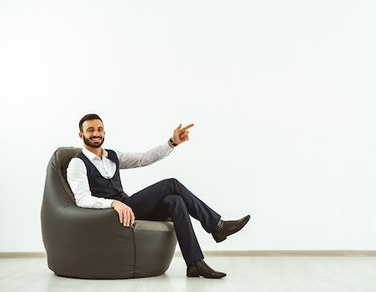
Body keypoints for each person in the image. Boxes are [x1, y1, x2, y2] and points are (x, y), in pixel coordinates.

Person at [66, 113, 250, 279]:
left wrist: (172, 142)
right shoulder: (77, 163)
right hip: (111, 214)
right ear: (81, 135)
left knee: (175, 201)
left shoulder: (111, 156)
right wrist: (114, 203)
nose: (96, 133)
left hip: (127, 207)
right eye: (90, 130)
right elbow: (82, 199)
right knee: (172, 184)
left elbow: (143, 158)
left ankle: (195, 264)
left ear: (104, 132)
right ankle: (217, 226)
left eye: (99, 129)